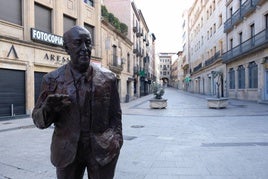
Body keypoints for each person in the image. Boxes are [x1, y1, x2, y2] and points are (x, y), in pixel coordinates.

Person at [32, 25, 123, 179]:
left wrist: (116, 141)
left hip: (103, 149)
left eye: (88, 43)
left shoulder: (108, 79)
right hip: (67, 150)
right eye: (77, 43)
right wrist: (48, 109)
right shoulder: (52, 79)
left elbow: (116, 115)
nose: (84, 48)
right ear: (66, 48)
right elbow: (39, 121)